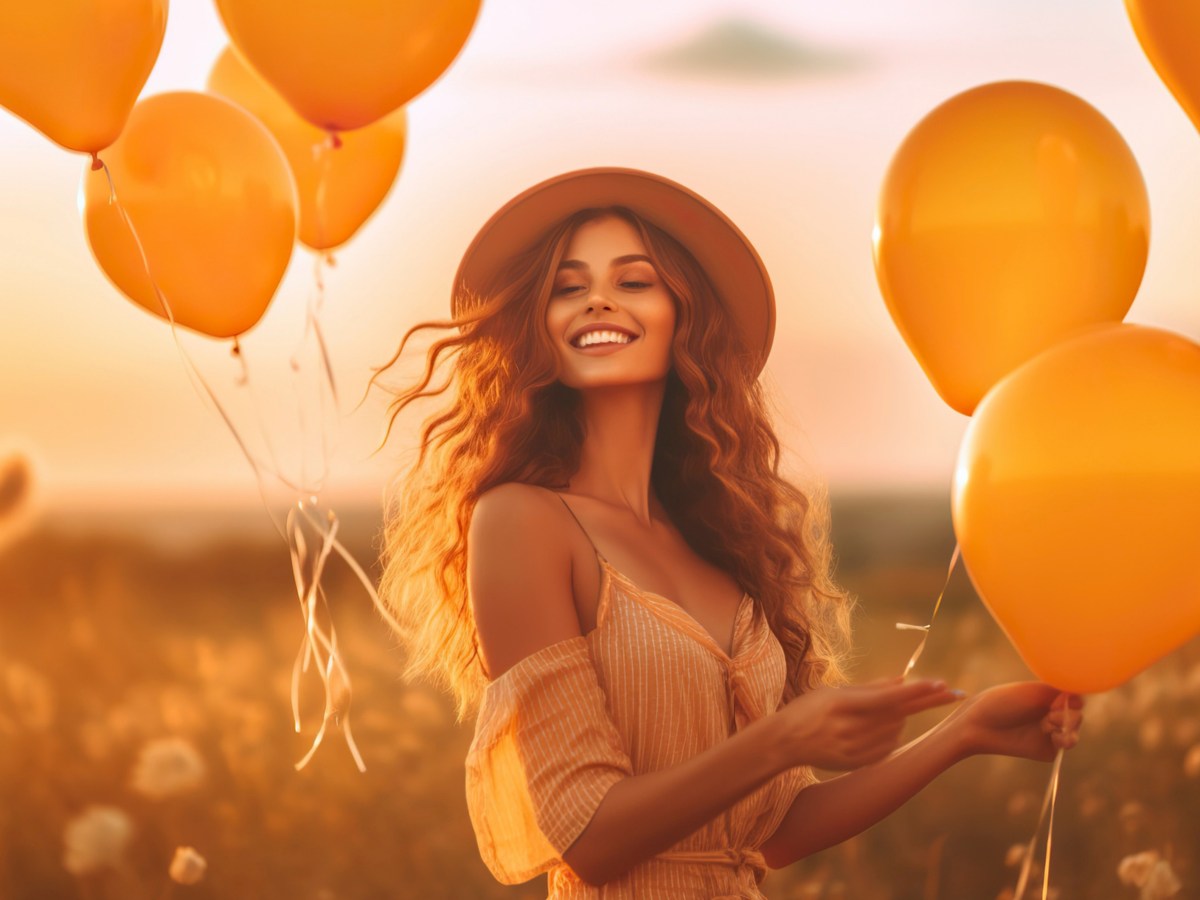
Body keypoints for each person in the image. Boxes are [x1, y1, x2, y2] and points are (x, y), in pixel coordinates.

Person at [372, 167, 1083, 898]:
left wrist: (963, 735)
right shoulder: (523, 520)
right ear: (539, 324)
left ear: (686, 315)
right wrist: (786, 737)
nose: (597, 300)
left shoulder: (716, 542)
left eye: (635, 280)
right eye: (567, 285)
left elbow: (771, 832)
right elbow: (587, 837)